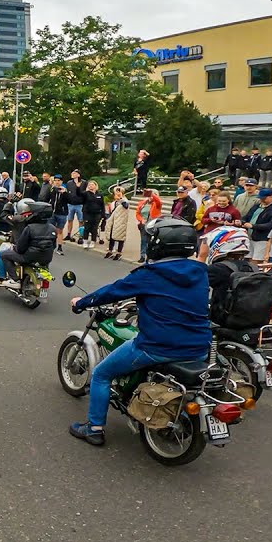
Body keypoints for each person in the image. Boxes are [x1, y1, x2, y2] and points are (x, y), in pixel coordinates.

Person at [68, 217, 208, 446]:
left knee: (102, 374)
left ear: (158, 244)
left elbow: (112, 291)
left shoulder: (150, 274)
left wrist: (81, 302)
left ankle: (93, 428)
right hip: (199, 347)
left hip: (158, 346)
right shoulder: (200, 271)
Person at [0, 201, 55, 286]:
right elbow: (54, 245)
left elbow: (21, 247)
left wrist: (9, 203)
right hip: (46, 258)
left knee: (2, 255)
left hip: (28, 255)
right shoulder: (52, 228)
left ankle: (14, 280)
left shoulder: (22, 221)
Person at [243, 189, 272, 264]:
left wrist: (253, 226)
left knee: (256, 261)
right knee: (247, 259)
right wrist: (242, 221)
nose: (261, 200)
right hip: (250, 237)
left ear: (271, 197)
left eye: (263, 198)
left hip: (262, 239)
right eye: (260, 198)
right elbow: (247, 216)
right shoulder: (257, 206)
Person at [135, 188, 163, 263]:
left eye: (152, 195)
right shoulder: (143, 203)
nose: (151, 197)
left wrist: (152, 194)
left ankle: (150, 256)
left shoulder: (157, 204)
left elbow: (158, 201)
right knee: (143, 240)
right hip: (143, 225)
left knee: (151, 241)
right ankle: (142, 255)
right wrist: (141, 220)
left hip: (153, 225)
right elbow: (138, 213)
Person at [103, 187, 131, 261]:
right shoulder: (114, 202)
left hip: (121, 222)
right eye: (116, 193)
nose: (117, 195)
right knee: (111, 236)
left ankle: (119, 252)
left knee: (120, 237)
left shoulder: (125, 201)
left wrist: (120, 198)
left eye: (119, 193)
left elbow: (126, 206)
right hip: (113, 221)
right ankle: (110, 250)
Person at [80, 180, 106, 250]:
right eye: (89, 185)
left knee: (95, 228)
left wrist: (103, 215)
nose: (91, 186)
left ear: (95, 186)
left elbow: (102, 205)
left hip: (97, 214)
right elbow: (80, 194)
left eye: (92, 185)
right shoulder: (86, 194)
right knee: (87, 227)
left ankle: (93, 241)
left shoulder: (99, 195)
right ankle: (85, 241)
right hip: (87, 213)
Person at [64, 170, 86, 242]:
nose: (72, 174)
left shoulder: (84, 182)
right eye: (72, 173)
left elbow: (85, 193)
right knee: (70, 220)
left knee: (81, 221)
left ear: (78, 175)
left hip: (80, 204)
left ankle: (81, 236)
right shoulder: (69, 183)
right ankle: (68, 234)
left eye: (74, 173)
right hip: (70, 204)